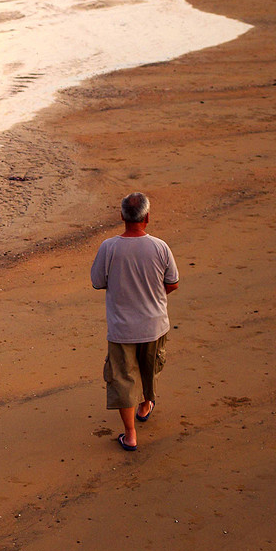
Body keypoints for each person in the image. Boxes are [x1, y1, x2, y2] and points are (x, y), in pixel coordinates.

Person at [91, 192, 179, 451]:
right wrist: (154, 296)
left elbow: (98, 281)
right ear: (147, 217)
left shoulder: (109, 247)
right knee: (149, 368)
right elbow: (172, 283)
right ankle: (145, 405)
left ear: (122, 217)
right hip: (154, 323)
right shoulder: (160, 247)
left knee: (123, 378)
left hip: (122, 327)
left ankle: (130, 434)